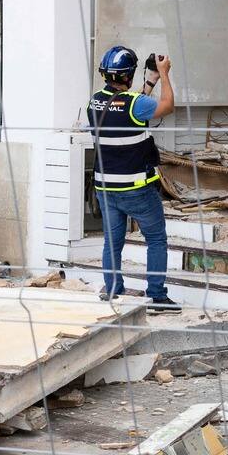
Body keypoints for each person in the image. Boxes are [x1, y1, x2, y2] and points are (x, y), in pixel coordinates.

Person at [88, 45, 180, 312]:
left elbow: (128, 109)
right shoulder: (134, 105)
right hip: (137, 189)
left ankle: (113, 292)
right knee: (156, 240)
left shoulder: (95, 102)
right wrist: (164, 74)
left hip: (106, 189)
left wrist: (150, 81)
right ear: (128, 75)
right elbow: (167, 106)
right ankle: (156, 297)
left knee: (112, 242)